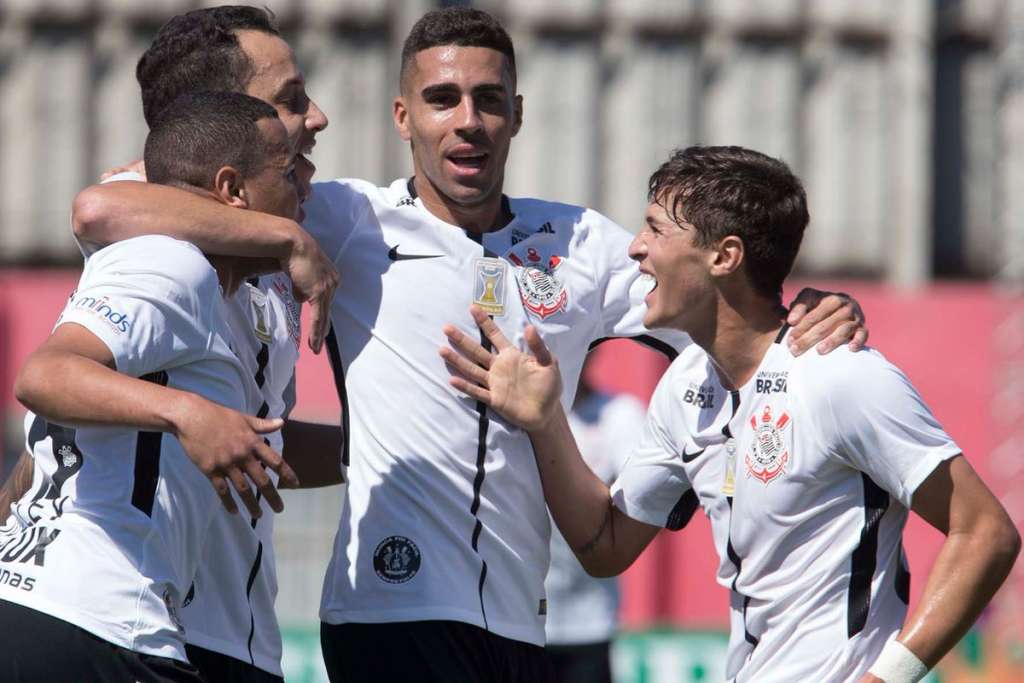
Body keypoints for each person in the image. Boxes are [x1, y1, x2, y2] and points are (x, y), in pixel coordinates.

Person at [71, 7, 868, 681]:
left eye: (489, 100)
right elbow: (106, 206)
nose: (468, 120)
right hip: (388, 610)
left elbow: (716, 308)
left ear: (517, 113)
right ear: (403, 116)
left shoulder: (580, 241)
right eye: (443, 98)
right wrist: (282, 235)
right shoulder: (347, 219)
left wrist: (808, 308)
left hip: (525, 624)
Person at [440, 145, 1022, 683]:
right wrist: (546, 421)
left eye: (655, 229)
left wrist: (885, 679)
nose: (635, 249)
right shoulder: (686, 386)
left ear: (724, 256)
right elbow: (606, 546)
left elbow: (986, 533)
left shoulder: (840, 375)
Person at [1, 8, 341, 682]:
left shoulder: (266, 241)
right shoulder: (162, 246)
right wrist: (189, 414)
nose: (317, 118)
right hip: (126, 617)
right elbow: (48, 371)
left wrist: (396, 449)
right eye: (290, 101)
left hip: (217, 630)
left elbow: (249, 438)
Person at [544, 363, 644, 683]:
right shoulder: (508, 413)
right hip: (515, 621)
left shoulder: (620, 414)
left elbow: (639, 501)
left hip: (590, 621)